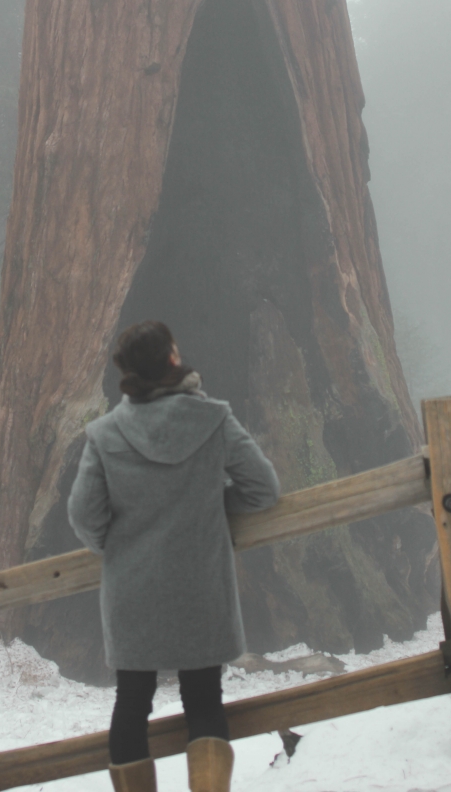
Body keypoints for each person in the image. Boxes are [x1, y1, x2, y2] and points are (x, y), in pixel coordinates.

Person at [68, 321, 280, 792]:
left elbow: (85, 517)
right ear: (171, 360)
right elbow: (263, 490)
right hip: (200, 584)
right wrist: (210, 509)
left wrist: (124, 546)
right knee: (204, 700)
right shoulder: (214, 419)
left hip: (132, 592)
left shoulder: (104, 436)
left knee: (131, 702)